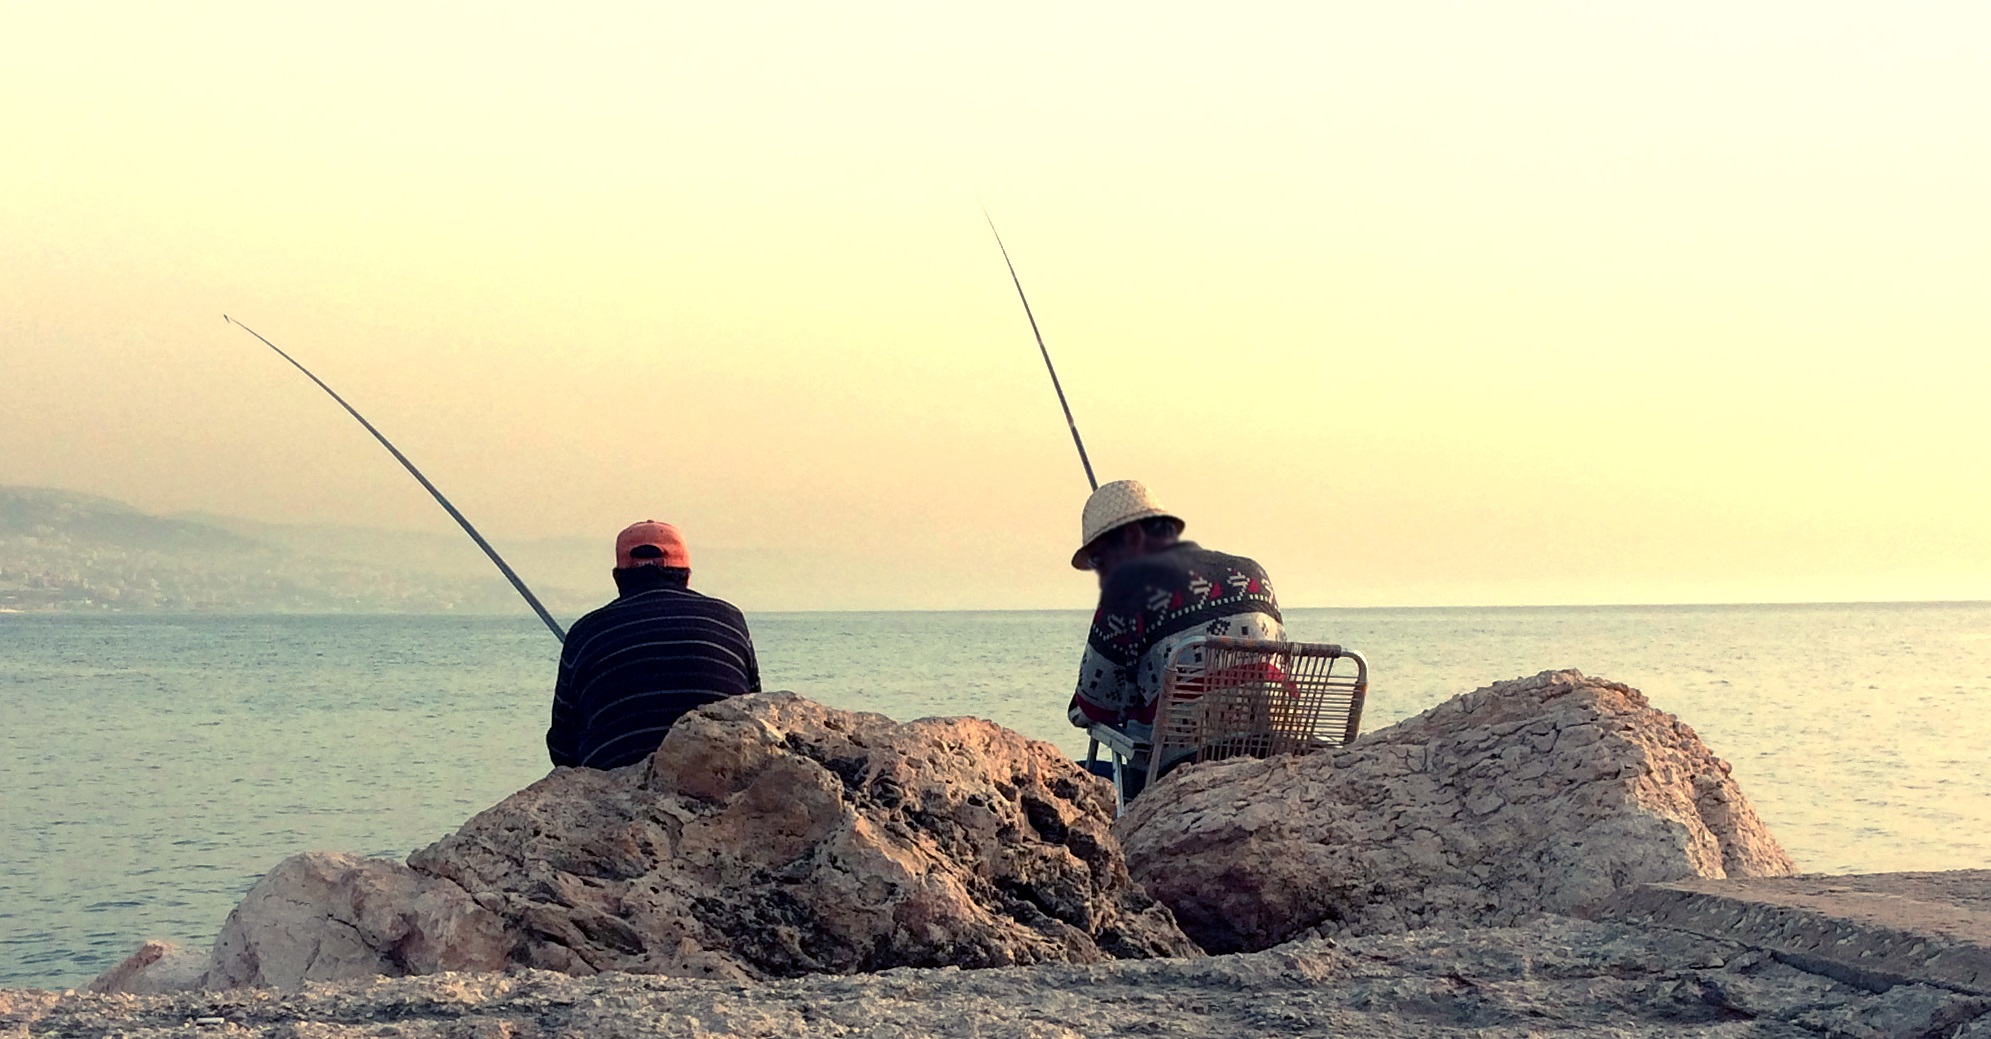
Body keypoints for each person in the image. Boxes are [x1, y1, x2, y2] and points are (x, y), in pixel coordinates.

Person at [1066, 480, 1283, 797]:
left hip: (1178, 777)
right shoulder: (1252, 573)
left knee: (1072, 776)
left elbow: (1091, 707)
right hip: (1271, 761)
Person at [546, 520, 761, 770]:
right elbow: (752, 708)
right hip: (723, 772)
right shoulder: (730, 619)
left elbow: (562, 746)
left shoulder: (584, 632)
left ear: (618, 578)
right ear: (686, 575)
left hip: (616, 784)